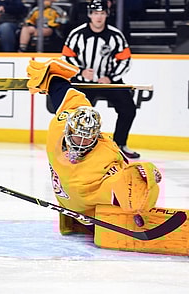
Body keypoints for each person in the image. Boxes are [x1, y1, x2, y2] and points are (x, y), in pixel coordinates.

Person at [26, 57, 161, 236]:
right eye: (77, 138)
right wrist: (144, 176)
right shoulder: (85, 176)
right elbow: (123, 189)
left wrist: (51, 77)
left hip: (76, 199)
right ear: (69, 131)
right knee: (131, 188)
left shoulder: (60, 124)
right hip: (88, 215)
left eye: (87, 139)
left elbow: (66, 95)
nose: (81, 144)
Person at [61, 0, 140, 159]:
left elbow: (125, 59)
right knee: (77, 113)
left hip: (109, 82)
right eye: (96, 13)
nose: (99, 17)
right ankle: (72, 145)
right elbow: (66, 57)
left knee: (128, 109)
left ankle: (120, 145)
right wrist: (80, 72)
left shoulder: (115, 35)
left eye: (102, 13)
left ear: (107, 15)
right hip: (84, 83)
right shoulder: (77, 34)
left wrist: (111, 77)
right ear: (90, 15)